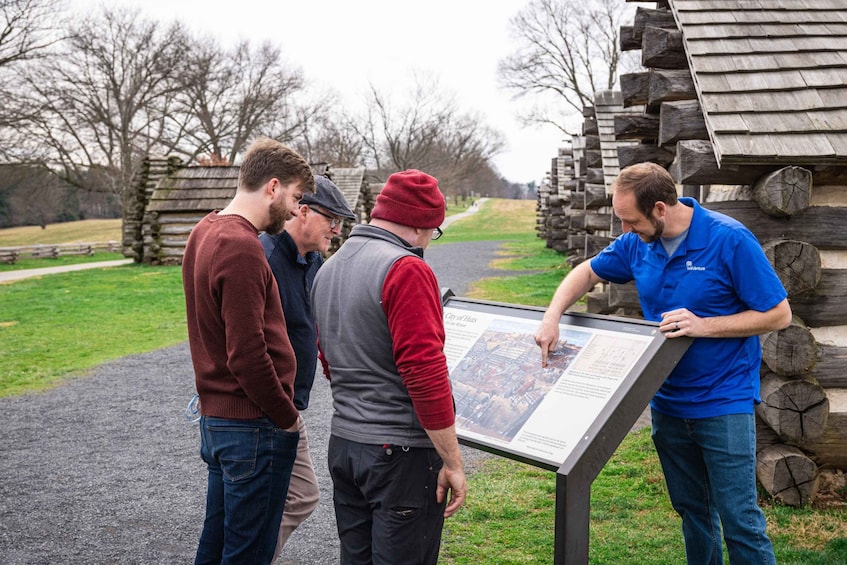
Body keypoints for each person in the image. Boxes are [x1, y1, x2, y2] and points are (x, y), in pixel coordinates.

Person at [534, 162, 791, 565]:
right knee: (694, 513)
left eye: (630, 220)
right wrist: (551, 318)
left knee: (740, 519)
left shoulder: (730, 240)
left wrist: (704, 326)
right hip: (666, 403)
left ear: (659, 209)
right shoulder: (637, 243)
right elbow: (585, 273)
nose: (624, 230)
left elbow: (779, 315)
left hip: (723, 402)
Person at [311, 169, 467, 565]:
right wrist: (452, 461)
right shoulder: (406, 268)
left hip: (345, 442)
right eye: (434, 230)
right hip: (400, 452)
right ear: (420, 224)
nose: (430, 241)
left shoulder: (329, 266)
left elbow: (328, 357)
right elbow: (424, 372)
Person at [182, 137, 315, 564]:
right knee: (248, 554)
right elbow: (247, 353)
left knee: (218, 546)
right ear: (272, 187)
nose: (297, 210)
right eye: (296, 197)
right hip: (252, 427)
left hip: (221, 421)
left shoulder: (205, 230)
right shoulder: (241, 246)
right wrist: (286, 416)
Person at [258, 175, 356, 558]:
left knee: (297, 497)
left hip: (286, 407)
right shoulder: (263, 259)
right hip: (264, 410)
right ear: (302, 210)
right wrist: (279, 410)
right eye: (332, 218)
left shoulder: (314, 261)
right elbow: (248, 346)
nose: (337, 229)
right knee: (291, 498)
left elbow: (314, 327)